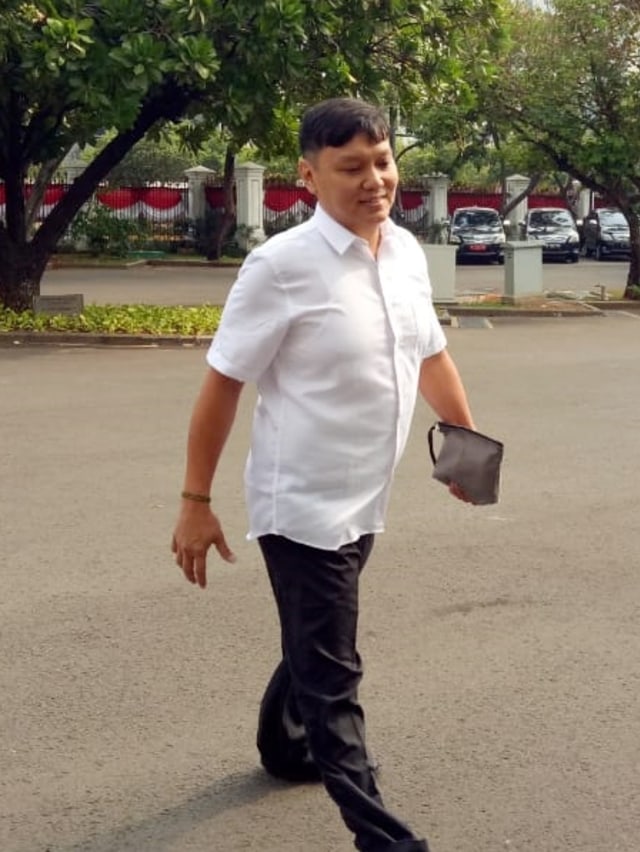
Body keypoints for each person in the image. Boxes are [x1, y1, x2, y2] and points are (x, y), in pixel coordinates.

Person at [172, 97, 476, 852]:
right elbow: (222, 382)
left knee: (315, 642)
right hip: (302, 505)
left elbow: (429, 354)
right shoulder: (279, 267)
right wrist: (194, 502)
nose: (374, 179)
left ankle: (282, 747)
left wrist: (466, 443)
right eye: (351, 167)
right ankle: (388, 841)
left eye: (382, 160)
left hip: (365, 497)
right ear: (308, 177)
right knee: (334, 676)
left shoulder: (402, 251)